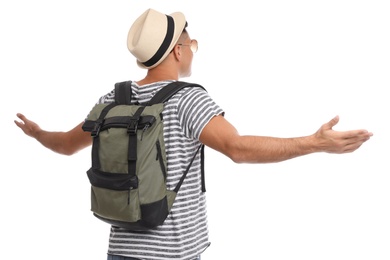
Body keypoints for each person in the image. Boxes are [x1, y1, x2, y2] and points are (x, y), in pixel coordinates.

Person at [14, 8, 373, 260]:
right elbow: (238, 148)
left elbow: (64, 145)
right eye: (191, 43)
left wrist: (37, 133)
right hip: (174, 254)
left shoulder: (112, 99)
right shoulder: (188, 99)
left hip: (119, 251)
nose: (193, 50)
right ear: (177, 51)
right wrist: (314, 143)